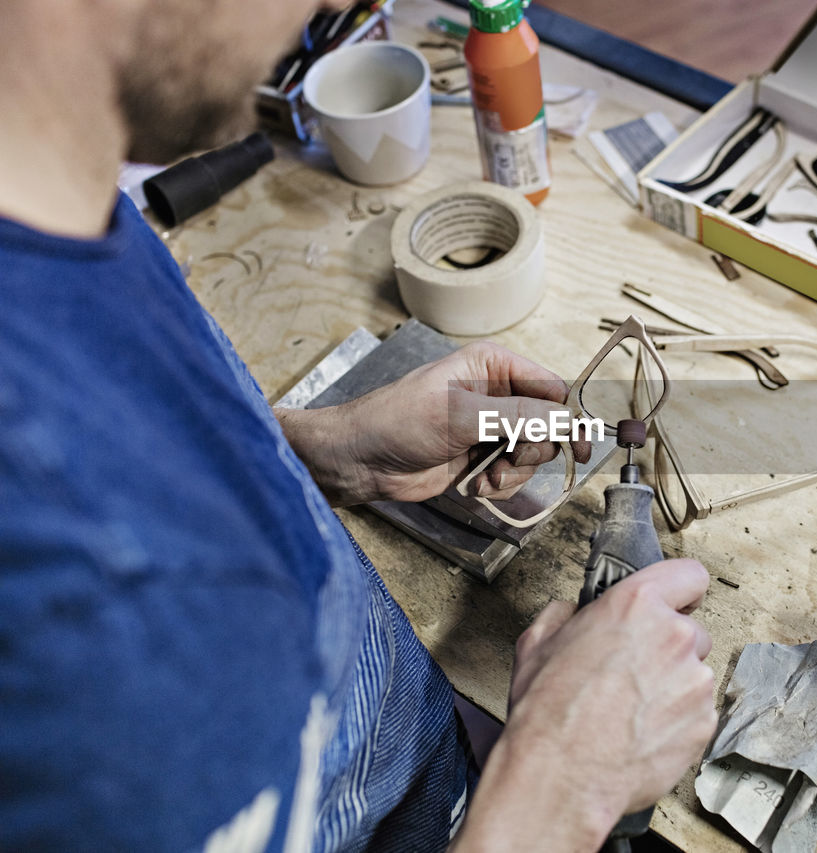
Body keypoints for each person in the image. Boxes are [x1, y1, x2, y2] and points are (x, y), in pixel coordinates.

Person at [0, 1, 718, 850]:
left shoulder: (62, 192)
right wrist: (558, 787)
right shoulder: (57, 574)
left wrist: (326, 454)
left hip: (422, 766)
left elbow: (128, 451)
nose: (338, 5)